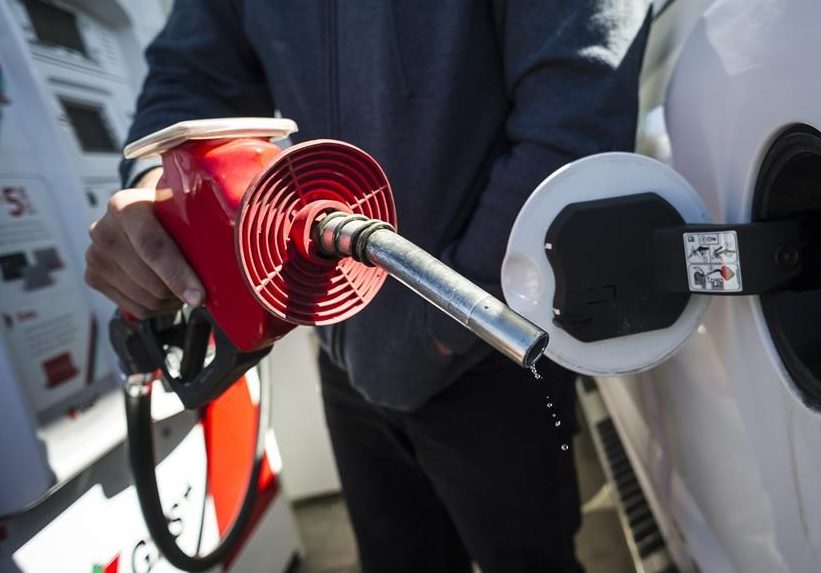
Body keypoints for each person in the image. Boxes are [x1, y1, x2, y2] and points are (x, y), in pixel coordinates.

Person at [85, 2, 650, 571]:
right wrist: (161, 190)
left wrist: (435, 328)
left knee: (529, 559)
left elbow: (575, 120)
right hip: (343, 348)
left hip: (488, 346)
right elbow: (193, 76)